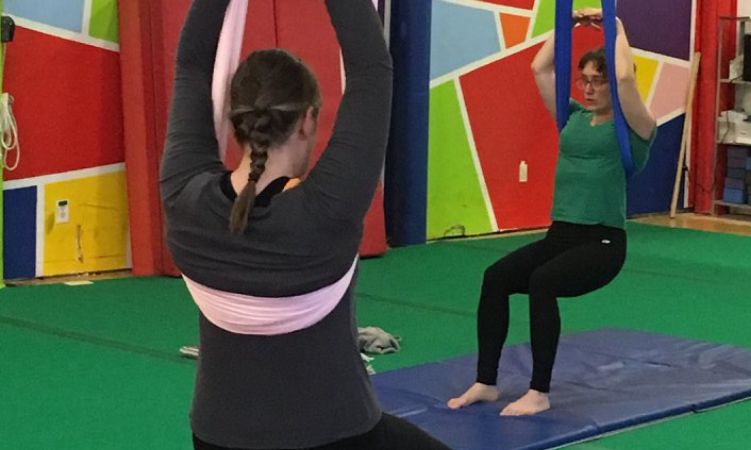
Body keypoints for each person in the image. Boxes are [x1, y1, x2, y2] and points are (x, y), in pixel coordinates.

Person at [160, 0, 450, 448]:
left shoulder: (185, 200)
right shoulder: (328, 210)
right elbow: (372, 68)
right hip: (338, 434)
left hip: (219, 437)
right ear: (308, 120)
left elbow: (191, 65)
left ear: (233, 118)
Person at [447, 8, 657, 417]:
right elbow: (539, 68)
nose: (592, 88)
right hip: (560, 238)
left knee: (543, 283)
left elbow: (627, 77)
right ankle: (486, 382)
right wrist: (568, 27)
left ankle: (538, 391)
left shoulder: (636, 128)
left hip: (603, 243)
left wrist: (614, 25)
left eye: (600, 80)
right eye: (587, 81)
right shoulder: (573, 117)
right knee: (496, 278)